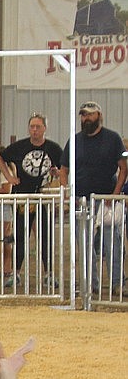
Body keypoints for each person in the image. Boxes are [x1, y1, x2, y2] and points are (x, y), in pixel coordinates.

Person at [59, 101, 128, 290]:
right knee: (85, 243)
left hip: (106, 199)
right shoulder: (74, 141)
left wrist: (114, 196)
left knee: (112, 242)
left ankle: (117, 282)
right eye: (83, 115)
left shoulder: (113, 138)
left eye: (89, 114)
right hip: (82, 200)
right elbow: (63, 170)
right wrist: (68, 194)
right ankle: (90, 283)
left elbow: (123, 168)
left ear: (99, 115)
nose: (85, 118)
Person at [0, 113, 63, 286]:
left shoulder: (54, 148)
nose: (34, 130)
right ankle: (16, 273)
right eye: (32, 127)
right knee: (19, 235)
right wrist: (10, 178)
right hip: (22, 197)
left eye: (38, 127)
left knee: (45, 235)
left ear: (44, 129)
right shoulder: (19, 147)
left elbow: (62, 167)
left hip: (43, 198)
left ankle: (48, 273)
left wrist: (57, 174)